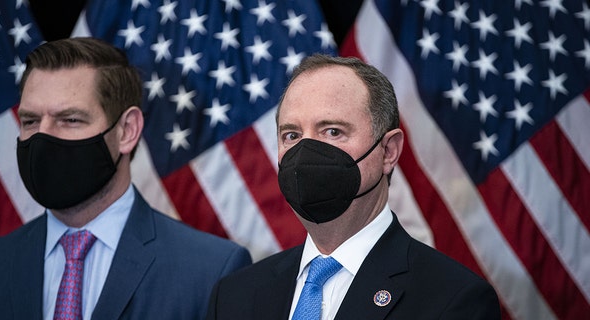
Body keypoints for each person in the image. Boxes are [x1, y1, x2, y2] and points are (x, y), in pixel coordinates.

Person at [0, 37, 251, 320]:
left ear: (127, 131)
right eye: (30, 121)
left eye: (70, 120)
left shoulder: (212, 272)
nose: (42, 138)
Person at [206, 54, 500, 319]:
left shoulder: (454, 300)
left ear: (388, 151)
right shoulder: (234, 296)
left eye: (333, 131)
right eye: (292, 135)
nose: (306, 152)